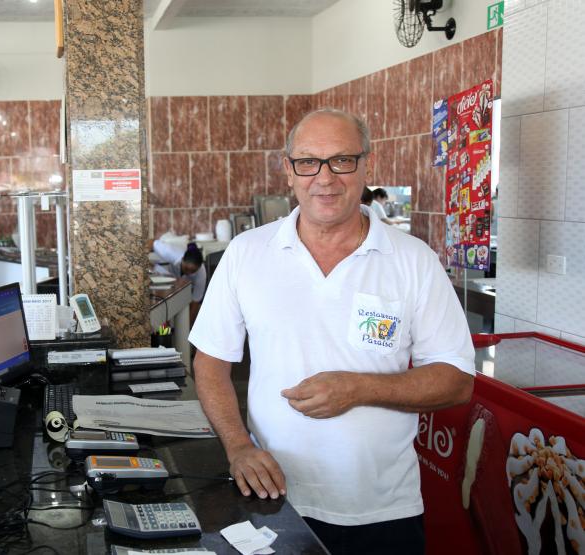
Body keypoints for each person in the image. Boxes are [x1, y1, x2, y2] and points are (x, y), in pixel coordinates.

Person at [189, 109, 474, 555]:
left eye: (341, 160)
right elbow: (209, 361)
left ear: (366, 165)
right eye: (308, 162)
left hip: (383, 511)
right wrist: (239, 447)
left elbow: (456, 381)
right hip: (271, 500)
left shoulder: (413, 260)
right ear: (288, 170)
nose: (325, 178)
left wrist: (356, 388)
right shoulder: (247, 253)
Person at [151, 237, 207, 322]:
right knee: (163, 309)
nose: (188, 273)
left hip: (184, 292)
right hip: (163, 277)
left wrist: (188, 328)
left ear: (199, 268)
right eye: (186, 268)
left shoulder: (201, 273)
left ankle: (174, 331)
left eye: (193, 271)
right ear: (182, 260)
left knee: (182, 315)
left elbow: (196, 301)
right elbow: (151, 242)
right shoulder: (171, 252)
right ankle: (164, 332)